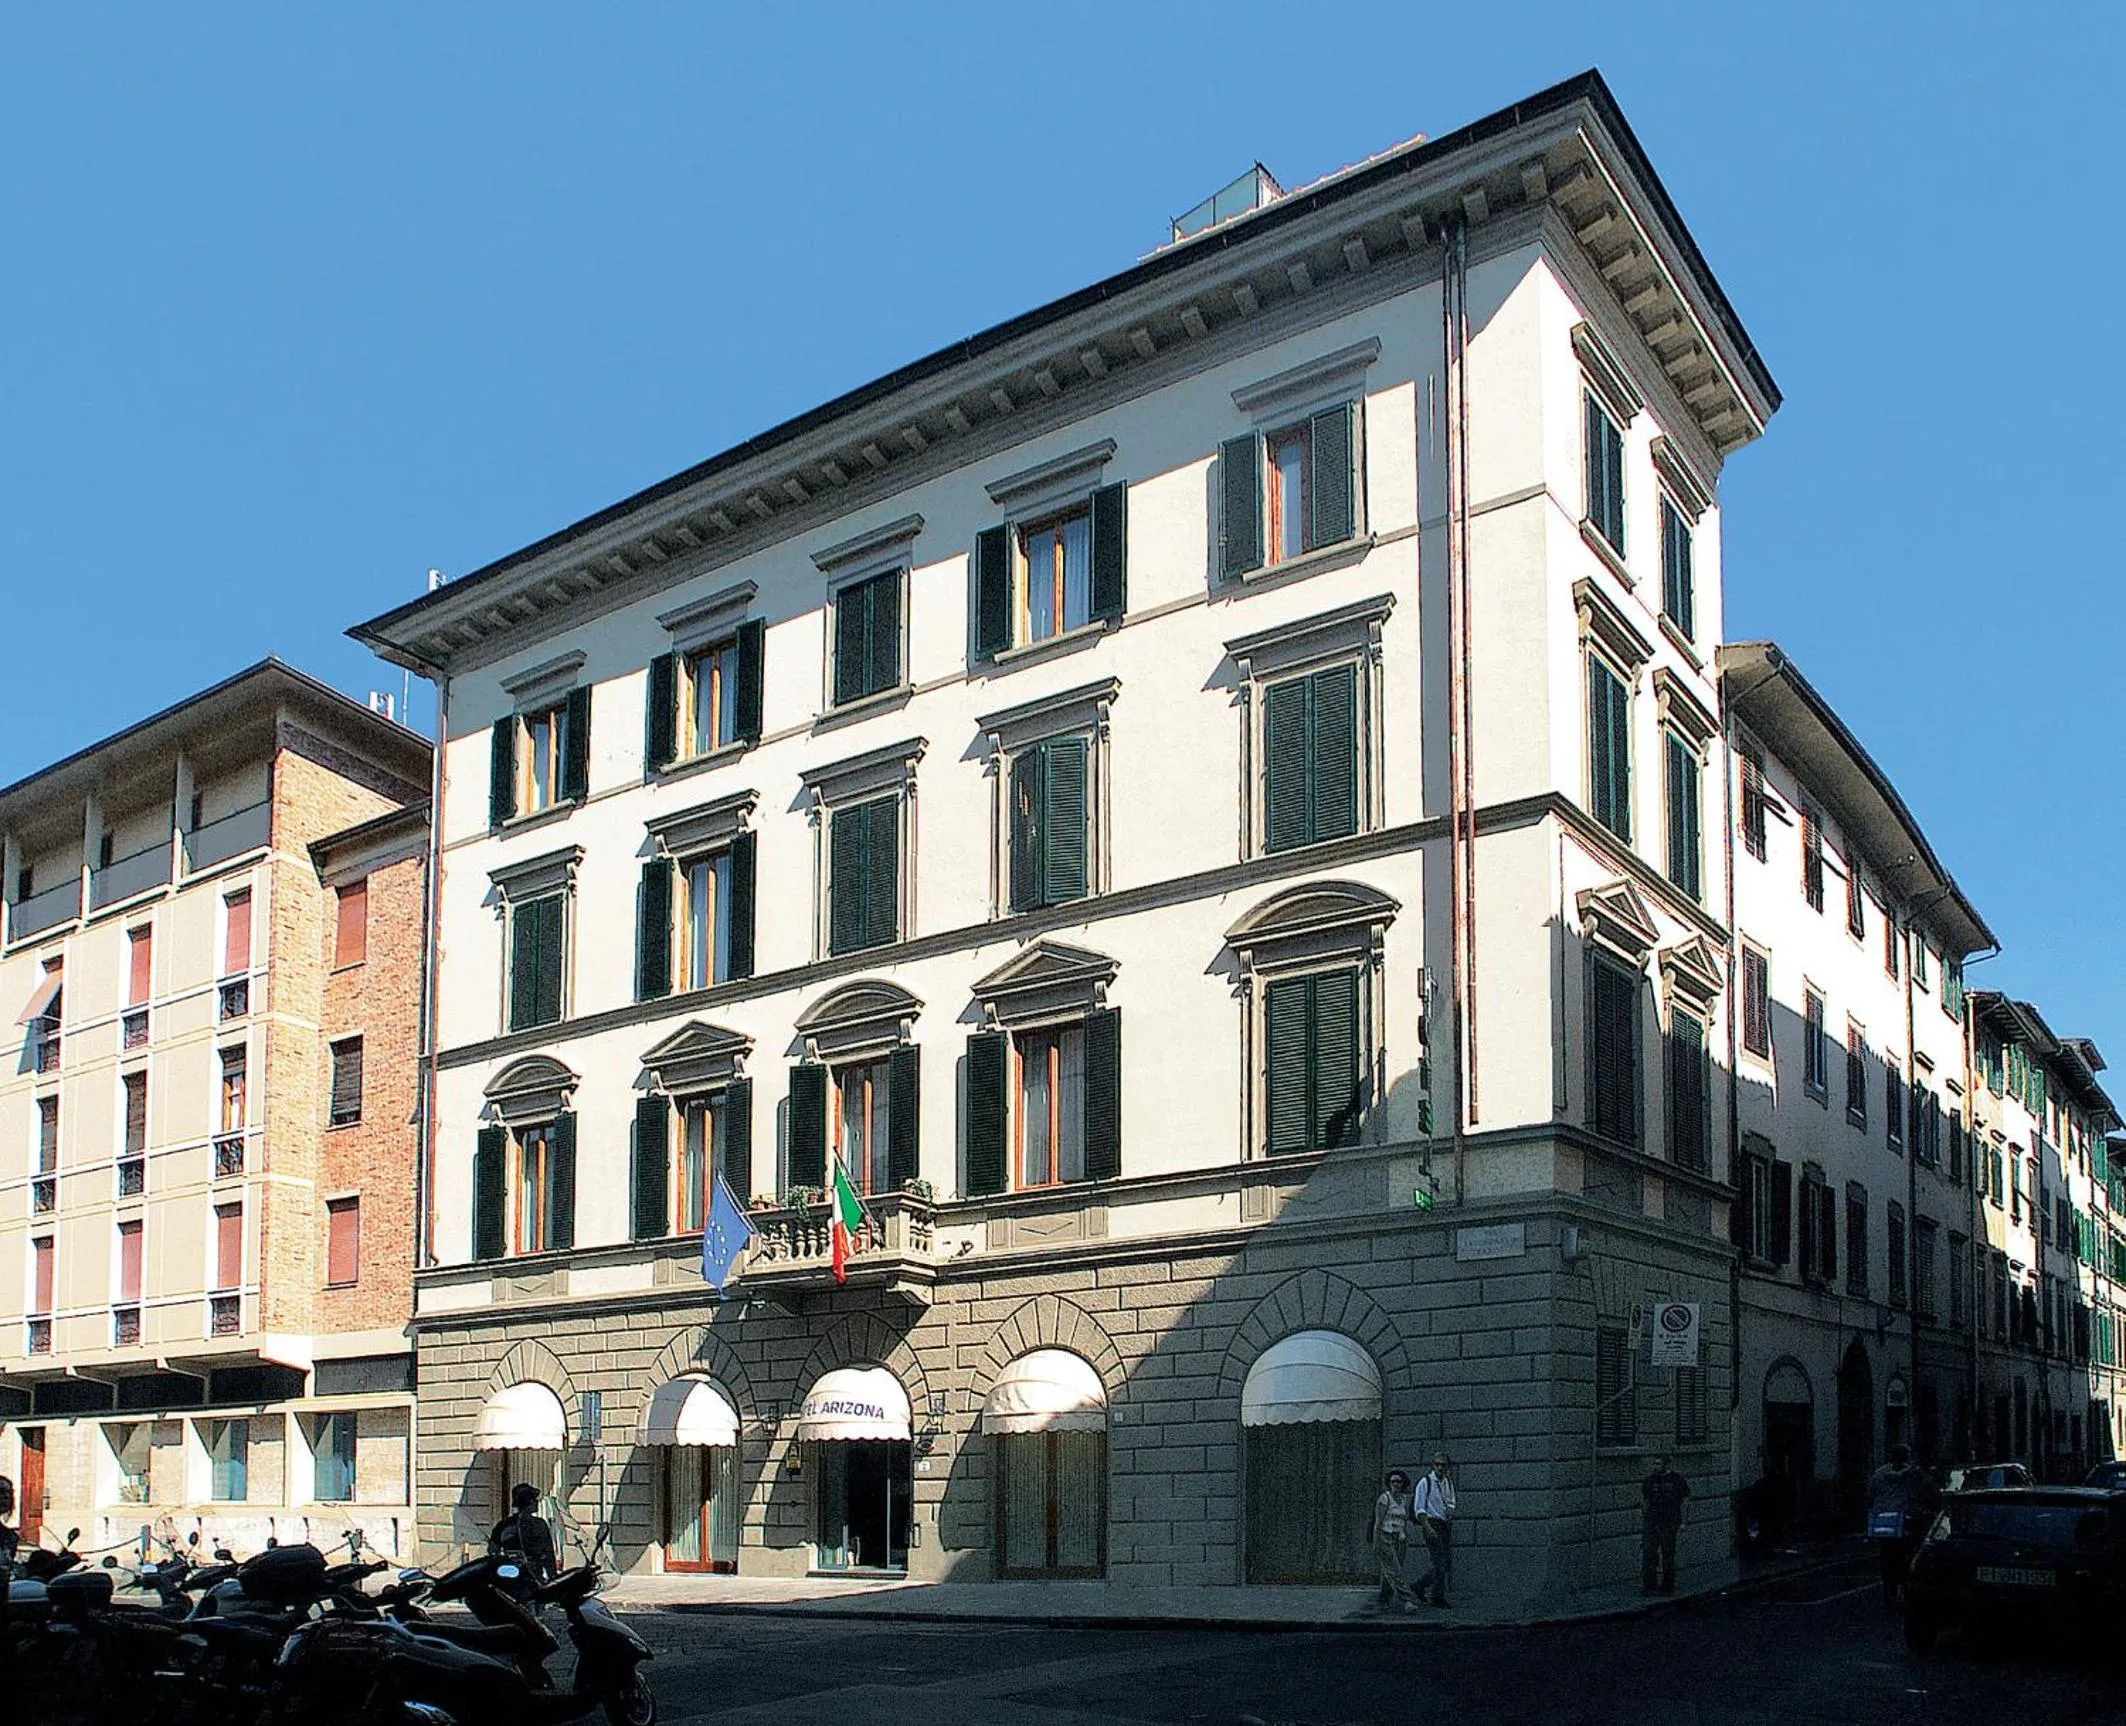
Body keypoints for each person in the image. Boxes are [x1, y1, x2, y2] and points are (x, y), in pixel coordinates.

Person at [1865, 1444, 1935, 1603]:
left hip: (1883, 1522)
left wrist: (1871, 1511)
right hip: (1905, 1520)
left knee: (1886, 1553)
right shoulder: (1914, 1474)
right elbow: (1927, 1492)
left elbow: (1870, 1495)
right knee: (1911, 1551)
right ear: (1907, 1457)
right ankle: (1906, 1584)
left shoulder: (1879, 1474)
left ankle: (1888, 1586)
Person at [1367, 1469, 1421, 1609]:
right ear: (1388, 1483)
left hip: (1400, 1538)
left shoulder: (1403, 1499)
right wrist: (1376, 1540)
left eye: (1398, 1481)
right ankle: (1407, 1600)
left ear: (1403, 1483)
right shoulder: (1384, 1499)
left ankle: (1384, 1599)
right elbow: (1378, 1522)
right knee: (1396, 1570)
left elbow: (1404, 1519)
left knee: (1390, 1570)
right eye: (1393, 1481)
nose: (1395, 1484)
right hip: (1385, 1536)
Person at [489, 1482, 559, 1584]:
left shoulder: (503, 1524)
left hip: (510, 1579)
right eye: (534, 1499)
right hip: (533, 1579)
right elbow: (548, 1555)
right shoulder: (539, 1524)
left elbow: (493, 1551)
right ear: (529, 1501)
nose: (536, 1502)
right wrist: (553, 1578)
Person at [1412, 1453, 1457, 1608]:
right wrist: (1427, 1527)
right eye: (1437, 1464)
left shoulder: (1448, 1482)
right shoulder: (1425, 1483)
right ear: (1433, 1465)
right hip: (1431, 1523)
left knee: (1446, 1563)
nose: (1440, 1468)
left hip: (1444, 1524)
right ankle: (1436, 1596)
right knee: (1439, 1563)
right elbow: (1419, 1508)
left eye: (1443, 1465)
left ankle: (1420, 1585)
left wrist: (1450, 1511)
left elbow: (1451, 1501)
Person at [1641, 1456, 1690, 1595]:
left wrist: (1683, 1521)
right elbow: (1646, 1500)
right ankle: (1649, 1585)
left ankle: (1667, 1586)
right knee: (1649, 1552)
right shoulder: (1650, 1480)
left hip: (1669, 1521)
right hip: (1652, 1520)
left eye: (1659, 1464)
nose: (1656, 1466)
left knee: (1668, 1553)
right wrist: (1645, 1521)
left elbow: (1685, 1500)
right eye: (1655, 1464)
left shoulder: (1677, 1480)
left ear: (1667, 1464)